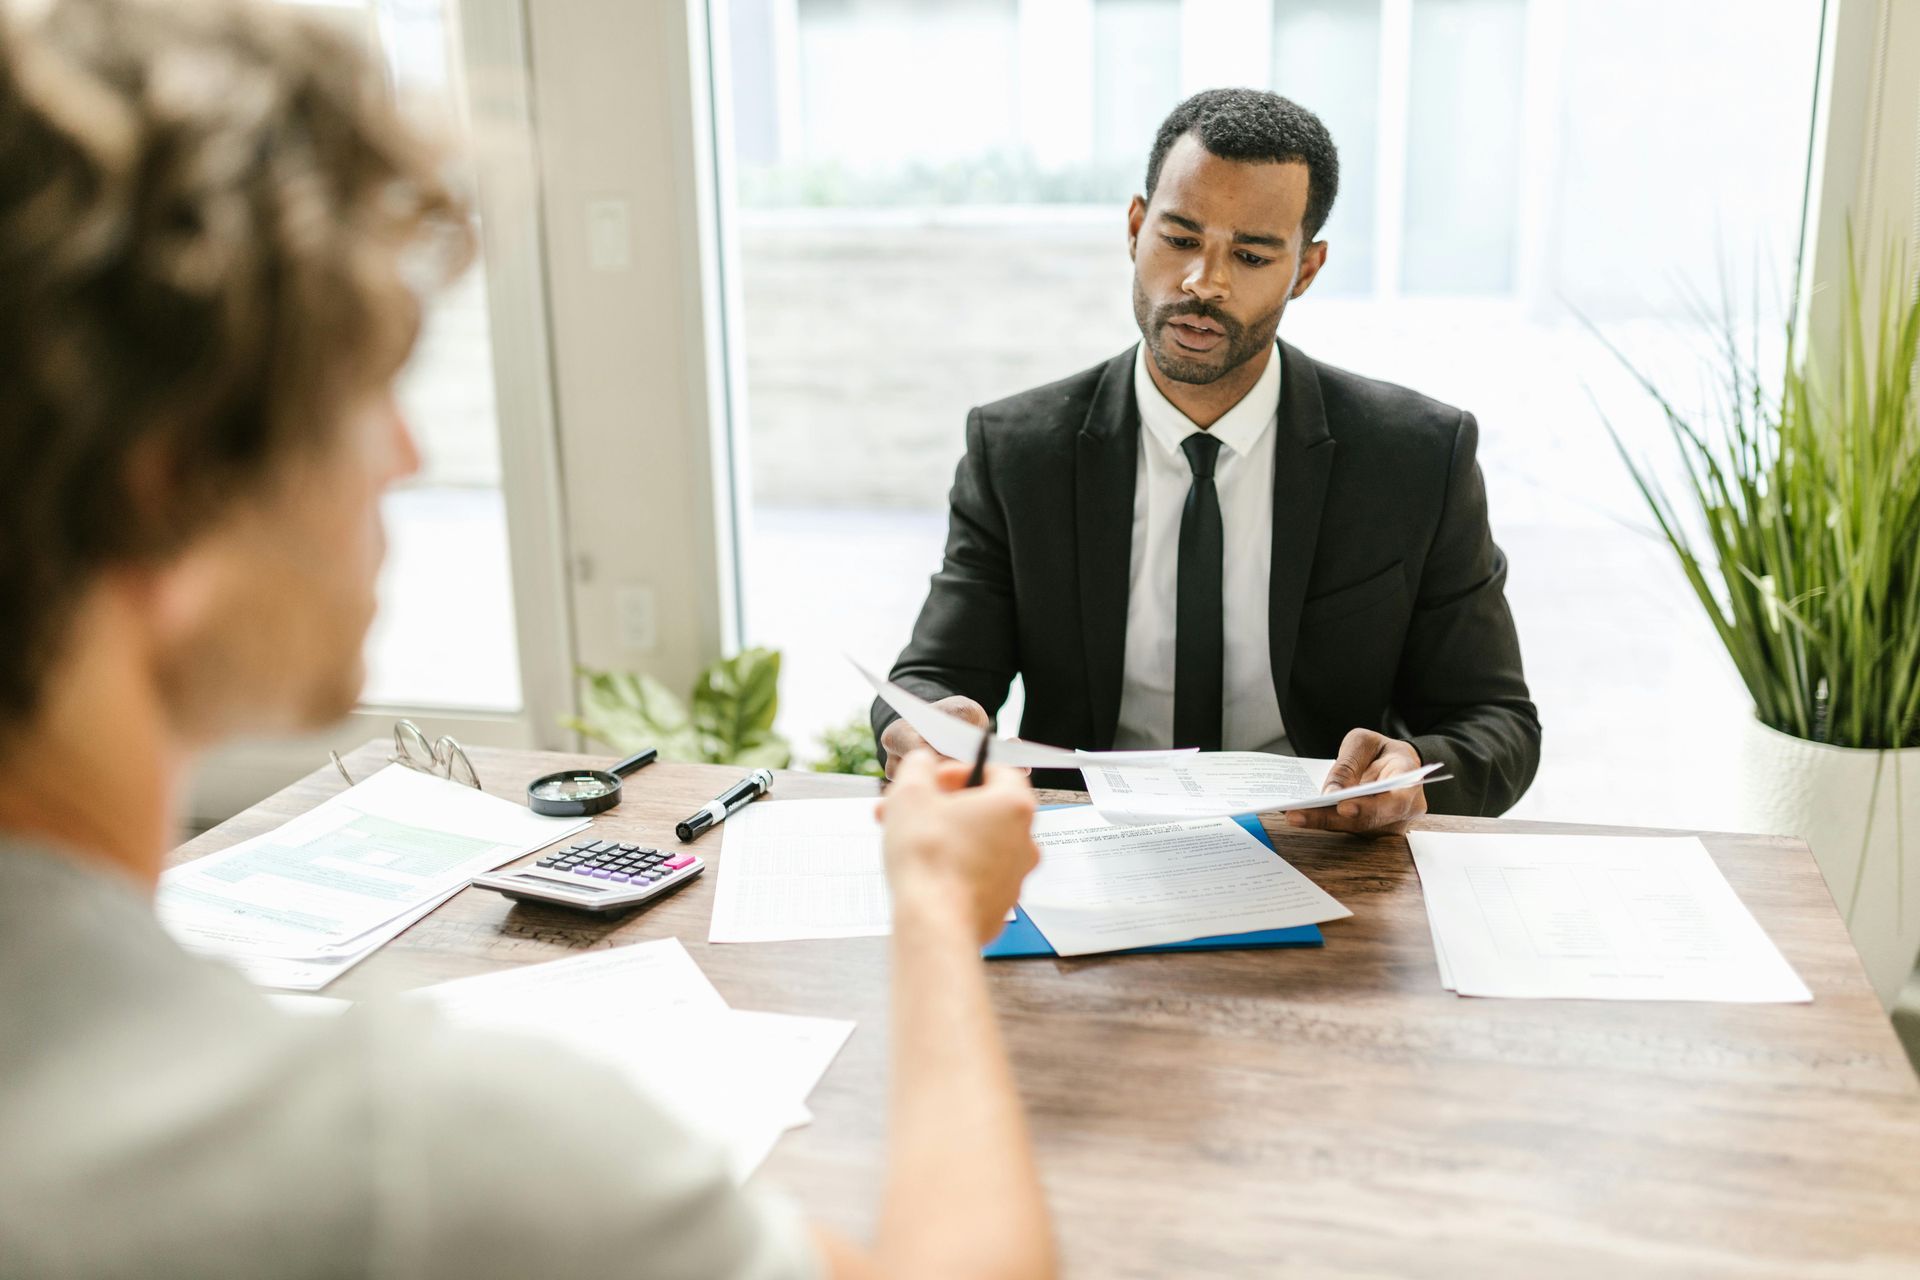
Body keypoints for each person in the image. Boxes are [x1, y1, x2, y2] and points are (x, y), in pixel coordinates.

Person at [0, 2, 1053, 1277]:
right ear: (167, 491)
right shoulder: (402, 1157)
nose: (406, 452)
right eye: (364, 386)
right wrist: (938, 908)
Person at [874, 88, 1541, 832]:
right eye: (1180, 238)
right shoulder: (1018, 450)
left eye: (1251, 255)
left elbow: (1496, 721)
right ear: (1135, 227)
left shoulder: (1418, 457)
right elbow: (935, 675)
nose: (1203, 283)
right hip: (1083, 852)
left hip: (1323, 851)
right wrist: (929, 724)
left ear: (1307, 268)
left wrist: (1411, 775)